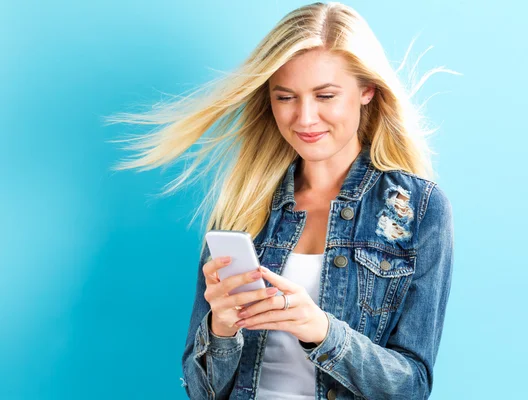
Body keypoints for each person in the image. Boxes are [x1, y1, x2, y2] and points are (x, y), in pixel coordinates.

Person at [107, 2, 454, 399]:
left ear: (367, 91)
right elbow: (203, 392)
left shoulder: (418, 210)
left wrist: (321, 331)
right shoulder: (243, 209)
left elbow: (412, 388)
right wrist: (221, 328)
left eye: (325, 95)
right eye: (286, 97)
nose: (305, 118)